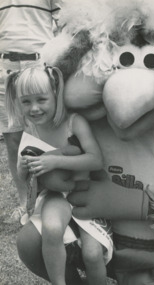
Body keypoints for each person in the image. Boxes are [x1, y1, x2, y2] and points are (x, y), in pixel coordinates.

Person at [5, 66, 110, 285]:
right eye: (26, 102)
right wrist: (25, 166)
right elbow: (24, 176)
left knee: (92, 254)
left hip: (85, 192)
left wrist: (55, 160)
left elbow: (95, 160)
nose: (34, 109)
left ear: (56, 95)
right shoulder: (31, 129)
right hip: (55, 196)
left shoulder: (74, 122)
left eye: (41, 99)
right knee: (52, 229)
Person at [0, 0, 62, 224]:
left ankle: (51, 196)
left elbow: (64, 22)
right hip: (4, 70)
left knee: (46, 135)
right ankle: (24, 202)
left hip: (40, 66)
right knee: (13, 141)